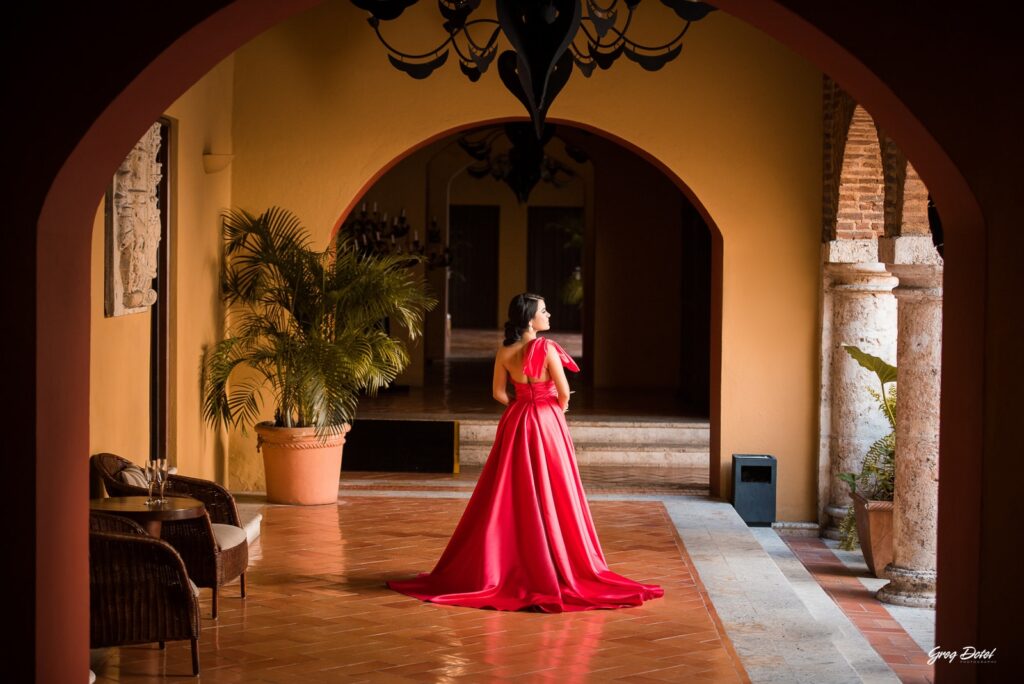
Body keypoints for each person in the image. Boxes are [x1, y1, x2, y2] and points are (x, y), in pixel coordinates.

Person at [386, 293, 664, 612]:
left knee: (511, 489)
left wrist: (521, 406)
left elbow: (497, 393)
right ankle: (555, 555)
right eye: (544, 311)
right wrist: (552, 411)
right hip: (546, 421)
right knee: (555, 486)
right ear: (530, 318)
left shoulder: (505, 350)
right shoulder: (546, 348)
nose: (549, 316)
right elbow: (563, 393)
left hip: (517, 419)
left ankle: (511, 557)